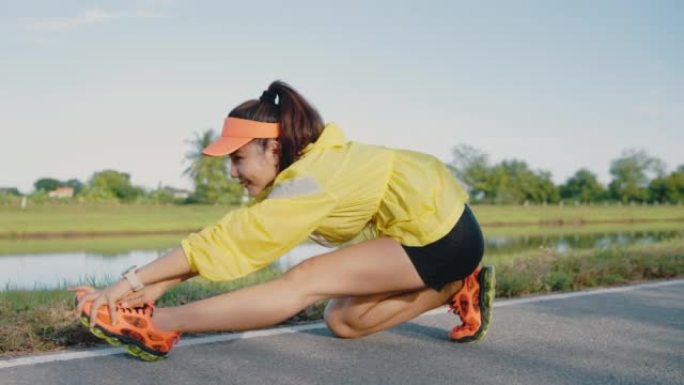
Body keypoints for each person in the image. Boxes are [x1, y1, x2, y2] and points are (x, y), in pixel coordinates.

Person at [72, 80, 495, 362]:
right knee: (343, 322)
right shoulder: (300, 171)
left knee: (303, 279)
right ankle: (458, 285)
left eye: (238, 159)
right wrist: (144, 290)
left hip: (443, 238)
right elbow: (223, 240)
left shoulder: (312, 178)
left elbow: (228, 243)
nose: (233, 173)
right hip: (429, 230)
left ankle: (158, 328)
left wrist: (129, 288)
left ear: (273, 148)